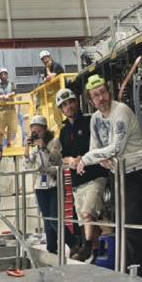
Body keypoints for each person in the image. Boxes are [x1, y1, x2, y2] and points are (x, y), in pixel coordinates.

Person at [83, 74, 142, 276]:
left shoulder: (120, 110)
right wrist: (97, 156)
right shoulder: (95, 118)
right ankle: (127, 270)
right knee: (120, 224)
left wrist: (88, 158)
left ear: (109, 92)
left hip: (137, 170)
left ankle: (139, 273)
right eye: (96, 96)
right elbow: (95, 148)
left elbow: (114, 148)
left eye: (103, 92)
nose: (101, 98)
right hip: (118, 173)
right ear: (90, 100)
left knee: (133, 225)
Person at [58, 87, 106, 261]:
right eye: (64, 104)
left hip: (95, 176)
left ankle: (85, 248)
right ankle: (95, 255)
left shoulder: (89, 121)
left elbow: (99, 145)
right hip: (78, 182)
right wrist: (70, 160)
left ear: (77, 102)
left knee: (87, 213)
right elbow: (62, 157)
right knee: (86, 220)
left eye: (71, 102)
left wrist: (83, 158)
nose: (69, 106)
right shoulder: (63, 131)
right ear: (61, 109)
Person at [25, 114, 69, 254]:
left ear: (45, 130)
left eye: (39, 131)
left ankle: (73, 241)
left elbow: (57, 160)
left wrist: (44, 147)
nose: (36, 134)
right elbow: (29, 165)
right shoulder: (35, 147)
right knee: (47, 221)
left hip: (54, 183)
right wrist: (27, 149)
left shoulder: (54, 142)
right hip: (41, 186)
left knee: (54, 220)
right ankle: (52, 249)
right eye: (33, 131)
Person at [0, 67, 18, 144]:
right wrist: (0, 97)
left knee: (10, 129)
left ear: (7, 75)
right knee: (0, 129)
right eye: (1, 74)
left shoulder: (12, 84)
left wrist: (8, 95)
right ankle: (0, 145)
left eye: (5, 74)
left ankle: (9, 144)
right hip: (1, 110)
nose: (3, 76)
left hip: (11, 109)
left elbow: (15, 92)